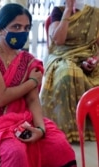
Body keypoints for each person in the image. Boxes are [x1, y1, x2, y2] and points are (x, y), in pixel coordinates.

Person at [0, 3, 79, 167]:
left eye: (26, 28)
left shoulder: (27, 60)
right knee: (15, 152)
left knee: (60, 146)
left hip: (22, 119)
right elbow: (0, 98)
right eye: (16, 27)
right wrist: (32, 82)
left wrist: (40, 130)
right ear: (1, 28)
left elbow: (32, 100)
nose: (21, 32)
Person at [40, 0, 99, 143]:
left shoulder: (94, 14)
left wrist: (94, 60)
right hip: (62, 55)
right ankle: (70, 129)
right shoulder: (58, 11)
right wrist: (67, 11)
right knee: (68, 73)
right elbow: (58, 40)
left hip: (88, 56)